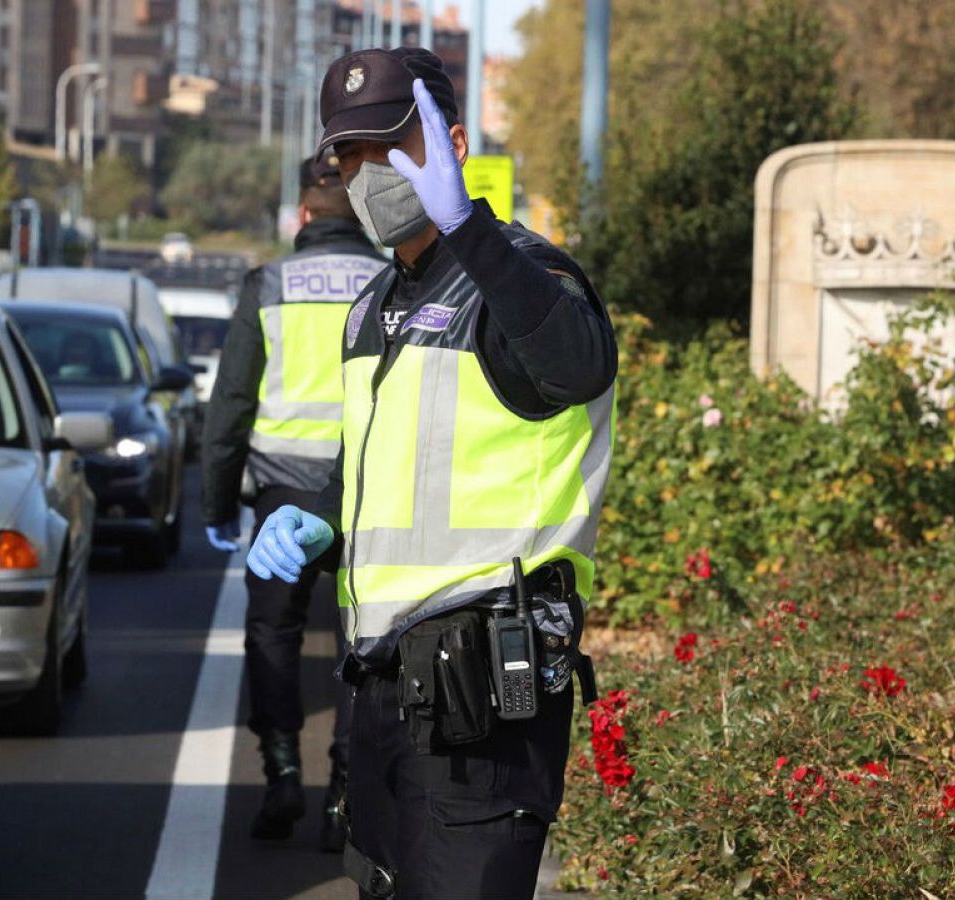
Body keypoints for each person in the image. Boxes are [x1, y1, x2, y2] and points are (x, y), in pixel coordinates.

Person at [245, 47, 616, 899]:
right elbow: (385, 467)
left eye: (388, 146)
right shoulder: (378, 303)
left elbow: (576, 366)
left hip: (480, 689)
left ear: (450, 145)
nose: (366, 172)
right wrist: (322, 514)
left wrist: (471, 234)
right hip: (381, 689)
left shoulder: (522, 279)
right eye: (349, 155)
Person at [201, 153, 388, 851]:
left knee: (272, 634)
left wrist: (218, 504)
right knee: (359, 646)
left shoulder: (269, 283)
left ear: (303, 216)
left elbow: (231, 404)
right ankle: (343, 792)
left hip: (280, 495)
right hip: (365, 495)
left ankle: (281, 773)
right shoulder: (392, 281)